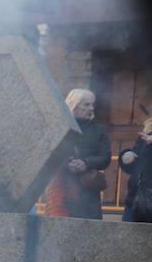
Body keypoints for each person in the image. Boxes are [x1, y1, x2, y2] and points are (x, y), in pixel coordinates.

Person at [43, 89, 111, 220]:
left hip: (88, 188)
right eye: (86, 104)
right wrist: (69, 163)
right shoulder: (59, 127)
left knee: (89, 229)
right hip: (61, 187)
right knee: (59, 228)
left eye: (92, 104)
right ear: (74, 104)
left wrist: (86, 163)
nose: (91, 108)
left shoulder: (98, 130)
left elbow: (105, 158)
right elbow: (48, 153)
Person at [118, 117, 152, 222]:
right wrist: (126, 155)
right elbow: (135, 164)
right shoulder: (147, 133)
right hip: (136, 200)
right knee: (127, 237)